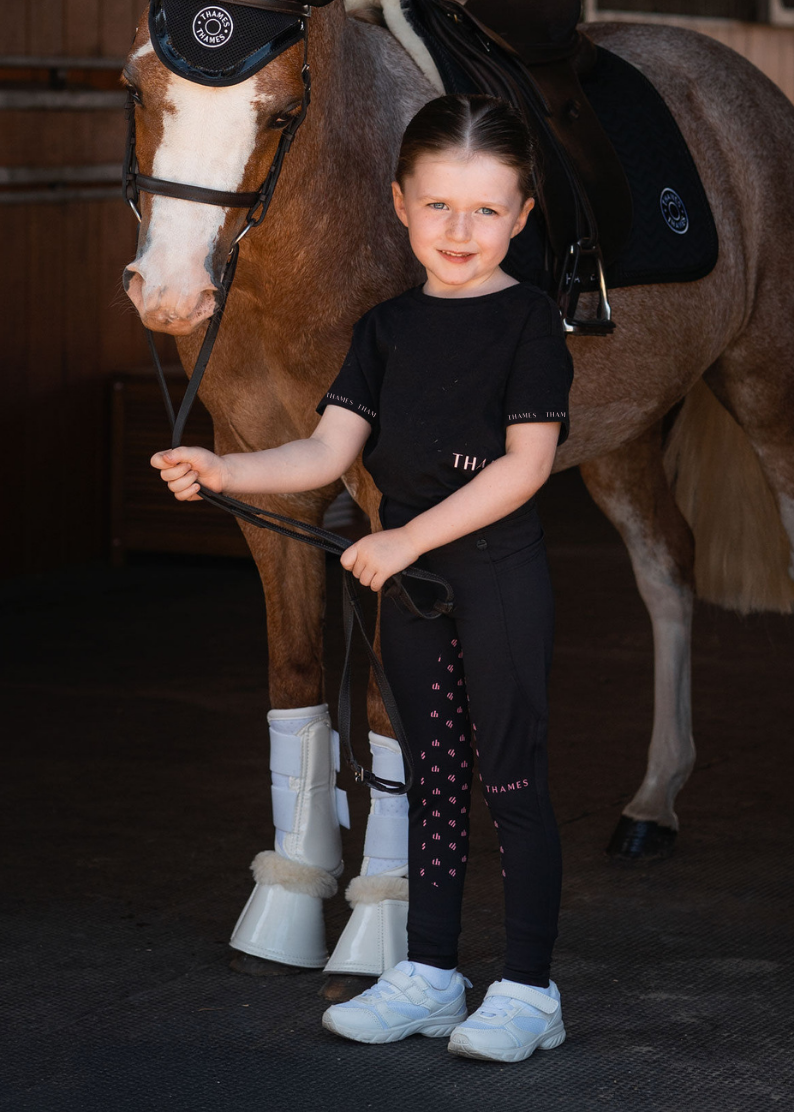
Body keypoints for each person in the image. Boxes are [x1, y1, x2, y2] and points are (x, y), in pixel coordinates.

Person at [151, 94, 573, 1064]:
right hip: (414, 591)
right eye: (436, 207)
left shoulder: (527, 326)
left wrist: (407, 537)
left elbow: (525, 468)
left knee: (511, 783)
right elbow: (325, 448)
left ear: (521, 214)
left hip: (494, 581)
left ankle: (527, 989)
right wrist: (227, 471)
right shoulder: (384, 330)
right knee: (426, 781)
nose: (458, 231)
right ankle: (428, 974)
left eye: (484, 210)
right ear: (398, 204)